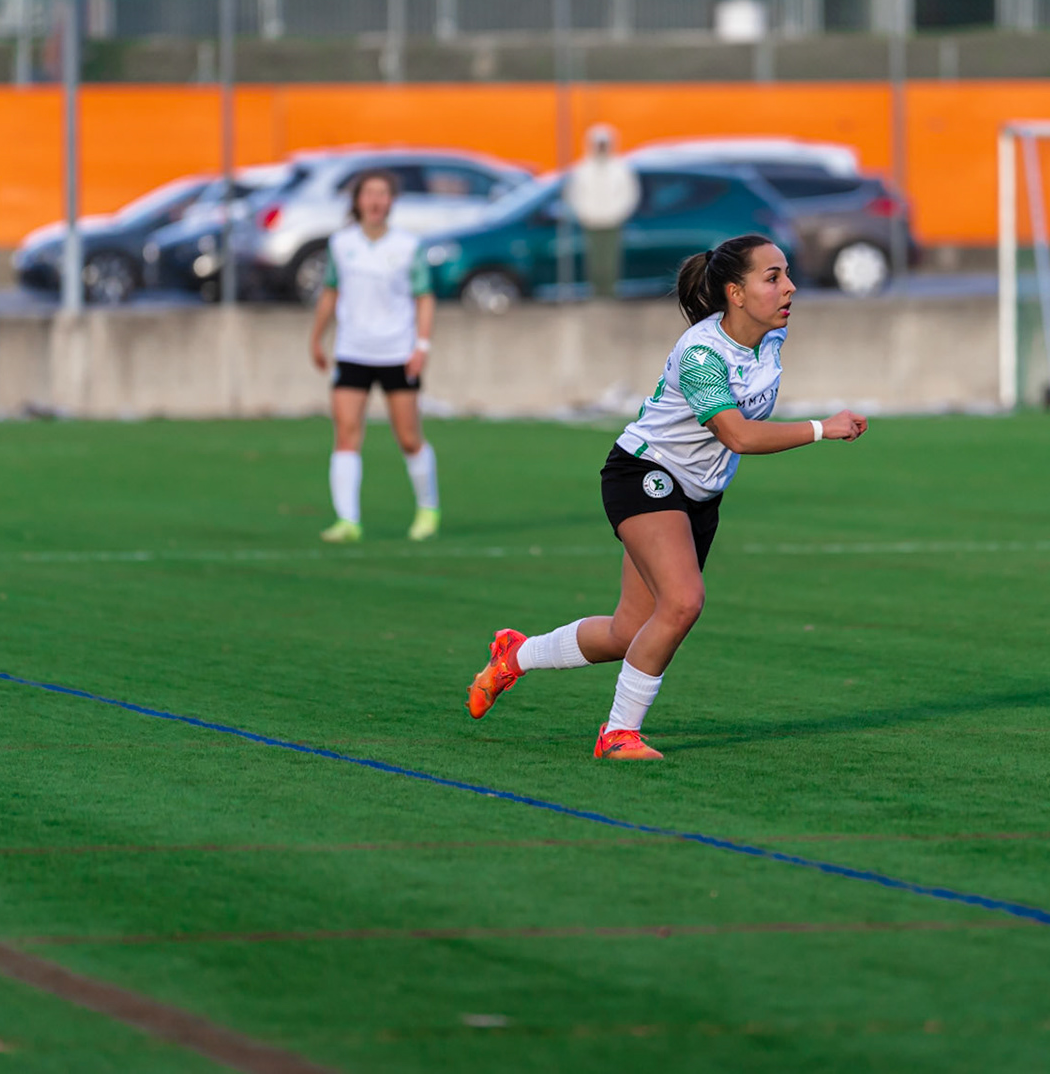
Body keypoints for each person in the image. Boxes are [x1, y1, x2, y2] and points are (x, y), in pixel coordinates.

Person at [465, 234, 867, 759]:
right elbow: (738, 435)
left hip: (699, 495)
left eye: (786, 273)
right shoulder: (702, 353)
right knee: (683, 602)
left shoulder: (769, 337)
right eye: (773, 277)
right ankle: (617, 735)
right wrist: (822, 428)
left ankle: (515, 656)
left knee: (628, 632)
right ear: (735, 293)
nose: (789, 287)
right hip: (645, 474)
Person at [308, 169, 440, 543]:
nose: (376, 201)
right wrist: (317, 338)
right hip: (353, 351)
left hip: (398, 351)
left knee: (409, 437)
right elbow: (331, 292)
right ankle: (348, 520)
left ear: (391, 201)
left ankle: (428, 508)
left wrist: (422, 345)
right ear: (358, 200)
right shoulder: (341, 244)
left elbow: (424, 297)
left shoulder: (407, 246)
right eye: (369, 194)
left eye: (383, 194)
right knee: (346, 433)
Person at [564, 124, 640, 299]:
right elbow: (574, 194)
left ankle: (610, 292)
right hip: (591, 222)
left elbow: (629, 194)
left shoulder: (620, 169)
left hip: (612, 222)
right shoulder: (583, 169)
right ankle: (596, 293)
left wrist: (617, 214)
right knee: (594, 261)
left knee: (610, 261)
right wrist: (584, 214)